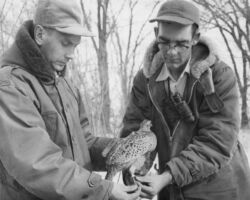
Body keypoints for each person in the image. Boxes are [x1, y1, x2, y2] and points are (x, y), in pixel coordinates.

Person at [0, 0, 141, 199]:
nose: (72, 55)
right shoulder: (10, 86)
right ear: (40, 34)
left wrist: (121, 149)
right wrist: (103, 189)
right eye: (66, 43)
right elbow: (36, 163)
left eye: (75, 46)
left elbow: (85, 143)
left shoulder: (67, 87)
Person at [120, 0, 250, 199]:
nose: (172, 51)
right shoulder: (144, 81)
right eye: (164, 42)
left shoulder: (220, 76)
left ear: (195, 37)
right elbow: (135, 131)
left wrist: (166, 176)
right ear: (156, 35)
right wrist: (135, 170)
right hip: (172, 191)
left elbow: (217, 142)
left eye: (181, 44)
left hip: (220, 190)